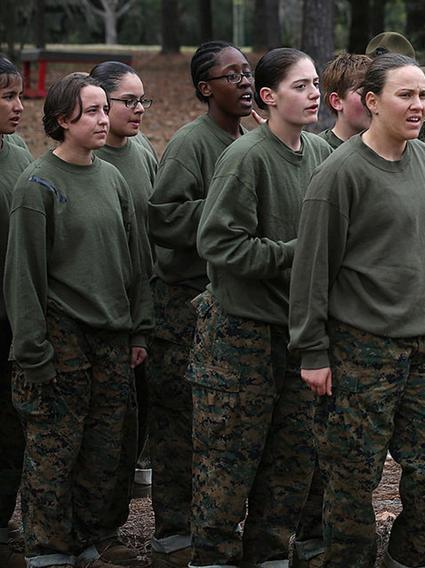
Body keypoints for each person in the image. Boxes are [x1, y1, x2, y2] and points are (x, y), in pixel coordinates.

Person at [288, 53, 425, 568]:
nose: (418, 106)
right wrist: (313, 351)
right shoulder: (339, 174)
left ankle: (408, 558)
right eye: (404, 95)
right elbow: (311, 269)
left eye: (423, 95)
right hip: (360, 350)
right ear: (371, 102)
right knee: (350, 480)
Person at [189, 47, 332, 568]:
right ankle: (211, 558)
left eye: (316, 84)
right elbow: (219, 244)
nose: (314, 93)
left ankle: (269, 555)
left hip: (299, 335)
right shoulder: (246, 157)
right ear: (268, 97)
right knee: (228, 466)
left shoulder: (319, 153)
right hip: (240, 336)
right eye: (301, 85)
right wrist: (296, 255)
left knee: (291, 463)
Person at [4, 72, 153, 568]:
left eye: (103, 110)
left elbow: (134, 260)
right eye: (92, 111)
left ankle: (98, 537)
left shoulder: (110, 177)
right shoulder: (37, 185)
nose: (103, 119)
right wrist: (33, 352)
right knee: (53, 450)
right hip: (61, 337)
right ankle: (49, 547)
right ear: (63, 119)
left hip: (112, 337)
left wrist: (137, 327)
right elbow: (23, 278)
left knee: (108, 447)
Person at [145, 41, 253, 568]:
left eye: (248, 71)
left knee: (220, 425)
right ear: (205, 87)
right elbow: (162, 217)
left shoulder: (247, 136)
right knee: (178, 425)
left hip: (229, 303)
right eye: (231, 74)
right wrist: (223, 209)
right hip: (183, 304)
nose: (245, 80)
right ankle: (173, 535)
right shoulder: (192, 142)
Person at [89, 60, 157, 545]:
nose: (137, 110)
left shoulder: (142, 151)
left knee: (137, 414)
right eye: (127, 101)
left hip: (142, 306)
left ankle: (131, 480)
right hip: (98, 314)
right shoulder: (84, 162)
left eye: (141, 100)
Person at [0, 56, 32, 568]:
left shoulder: (19, 150)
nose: (19, 107)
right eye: (7, 97)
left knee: (10, 427)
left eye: (19, 96)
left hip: (11, 316)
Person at [318, 53, 372, 149]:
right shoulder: (318, 151)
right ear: (337, 101)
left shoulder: (386, 148)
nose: (372, 101)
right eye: (363, 92)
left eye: (377, 92)